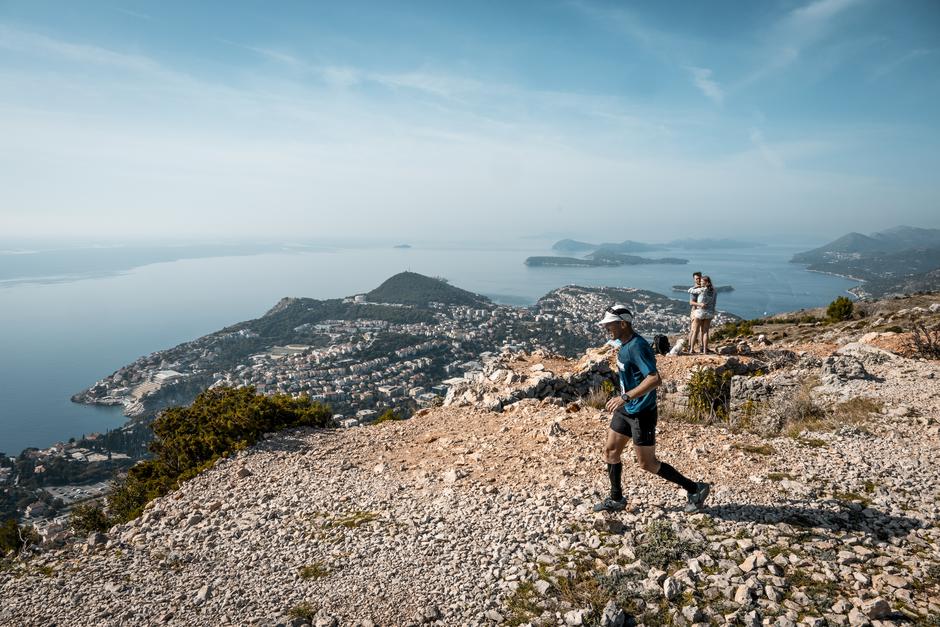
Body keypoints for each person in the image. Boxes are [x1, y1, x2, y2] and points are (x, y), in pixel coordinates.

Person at [593, 304, 711, 513]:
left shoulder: (638, 346)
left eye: (610, 325)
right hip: (626, 409)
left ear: (623, 323)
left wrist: (625, 396)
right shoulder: (624, 343)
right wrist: (624, 398)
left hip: (641, 413)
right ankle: (616, 498)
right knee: (610, 451)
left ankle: (695, 488)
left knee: (647, 463)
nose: (606, 329)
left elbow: (655, 379)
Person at [691, 276, 717, 354]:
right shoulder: (714, 291)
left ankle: (691, 349)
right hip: (709, 312)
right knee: (705, 332)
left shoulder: (702, 289)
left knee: (695, 331)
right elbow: (714, 303)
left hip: (700, 312)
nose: (701, 282)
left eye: (702, 281)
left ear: (706, 282)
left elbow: (690, 290)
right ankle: (705, 350)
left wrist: (696, 287)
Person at [687, 272, 703, 353]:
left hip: (703, 312)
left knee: (702, 330)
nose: (698, 280)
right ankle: (690, 347)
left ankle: (702, 347)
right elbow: (691, 302)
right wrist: (700, 305)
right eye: (697, 278)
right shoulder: (694, 290)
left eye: (699, 278)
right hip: (695, 311)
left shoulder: (704, 288)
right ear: (694, 279)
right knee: (694, 330)